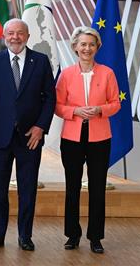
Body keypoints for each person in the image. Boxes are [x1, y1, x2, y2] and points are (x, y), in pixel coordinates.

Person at [0, 18, 56, 251]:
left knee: (28, 188)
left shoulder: (41, 61)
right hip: (0, 136)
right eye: (10, 33)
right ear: (4, 36)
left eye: (20, 33)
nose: (15, 37)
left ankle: (25, 236)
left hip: (30, 137)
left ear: (28, 36)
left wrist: (40, 127)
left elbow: (50, 98)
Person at [55, 26, 120, 254]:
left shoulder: (107, 73)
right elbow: (57, 105)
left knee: (97, 188)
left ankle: (95, 237)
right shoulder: (65, 74)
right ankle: (72, 235)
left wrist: (99, 109)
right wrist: (74, 112)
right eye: (83, 44)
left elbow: (116, 103)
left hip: (100, 138)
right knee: (72, 188)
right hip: (71, 138)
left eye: (91, 44)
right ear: (75, 47)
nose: (87, 48)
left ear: (97, 47)